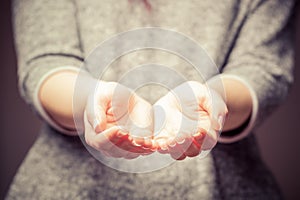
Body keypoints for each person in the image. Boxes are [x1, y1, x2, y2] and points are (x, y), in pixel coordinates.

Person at [7, 0, 295, 199]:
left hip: (220, 188)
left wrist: (212, 99)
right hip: (67, 188)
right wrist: (91, 101)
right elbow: (47, 61)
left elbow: (262, 68)